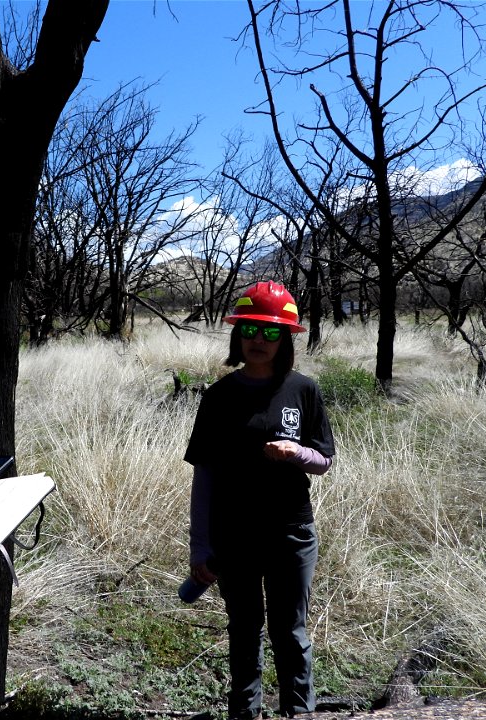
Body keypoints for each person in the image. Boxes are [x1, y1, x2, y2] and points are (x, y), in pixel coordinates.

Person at [183, 281, 336, 720]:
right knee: (245, 631)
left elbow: (324, 460)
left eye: (271, 332)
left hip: (291, 530)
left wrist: (297, 454)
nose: (258, 340)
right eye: (250, 329)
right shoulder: (218, 397)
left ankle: (298, 714)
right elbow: (205, 475)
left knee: (291, 632)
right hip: (235, 536)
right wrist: (201, 545)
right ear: (237, 334)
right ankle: (244, 714)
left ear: (286, 339)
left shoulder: (303, 389)